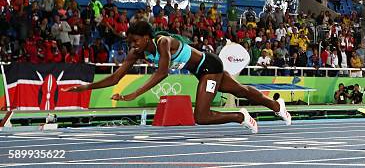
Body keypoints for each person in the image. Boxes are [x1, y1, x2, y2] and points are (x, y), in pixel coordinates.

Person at [64, 21, 291, 133]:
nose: (132, 45)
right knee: (241, 91)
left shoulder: (162, 42)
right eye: (130, 42)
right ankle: (276, 105)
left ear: (146, 37)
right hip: (200, 70)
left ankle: (240, 117)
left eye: (136, 40)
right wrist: (85, 88)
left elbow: (162, 73)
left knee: (201, 116)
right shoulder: (136, 53)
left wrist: (133, 93)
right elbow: (115, 78)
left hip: (209, 65)